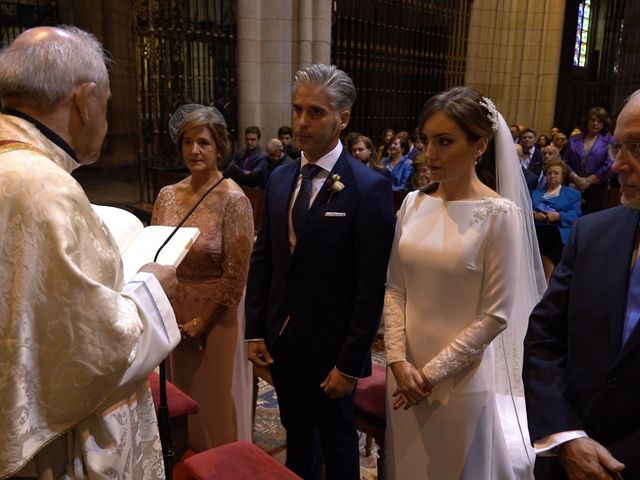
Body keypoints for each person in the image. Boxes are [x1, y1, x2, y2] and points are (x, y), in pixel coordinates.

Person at [0, 26, 180, 479]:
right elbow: (90, 349)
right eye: (107, 102)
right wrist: (152, 290)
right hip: (54, 453)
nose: (105, 116)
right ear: (84, 100)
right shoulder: (43, 188)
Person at [384, 86, 546, 479]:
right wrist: (397, 360)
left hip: (458, 382)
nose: (430, 153)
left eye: (444, 141)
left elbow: (495, 315)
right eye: (426, 141)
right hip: (404, 377)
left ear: (480, 145)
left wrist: (428, 374)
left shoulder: (498, 214)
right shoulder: (413, 204)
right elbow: (395, 287)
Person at [245, 64, 395, 480]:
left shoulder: (369, 187)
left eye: (315, 112)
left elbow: (370, 287)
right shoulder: (279, 177)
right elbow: (265, 258)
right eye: (297, 110)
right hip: (282, 338)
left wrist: (349, 364)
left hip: (332, 349)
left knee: (338, 445)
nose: (301, 122)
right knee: (298, 439)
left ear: (342, 119)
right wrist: (256, 327)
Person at [523, 90, 640, 479]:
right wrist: (566, 436)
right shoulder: (592, 233)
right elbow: (544, 335)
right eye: (618, 147)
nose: (619, 164)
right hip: (566, 461)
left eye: (637, 148)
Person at [152, 104, 254, 450]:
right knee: (177, 396)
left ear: (219, 148)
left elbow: (236, 275)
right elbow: (155, 254)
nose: (194, 151)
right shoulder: (167, 196)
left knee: (213, 400)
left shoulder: (234, 200)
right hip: (172, 312)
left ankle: (219, 465)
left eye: (204, 143)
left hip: (215, 315)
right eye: (187, 143)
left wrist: (202, 321)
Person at [531, 158, 582, 282]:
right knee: (542, 235)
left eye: (556, 173)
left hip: (558, 230)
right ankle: (541, 281)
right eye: (549, 173)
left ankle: (545, 281)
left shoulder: (572, 194)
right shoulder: (536, 193)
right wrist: (534, 215)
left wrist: (558, 216)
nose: (552, 176)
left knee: (551, 236)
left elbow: (576, 215)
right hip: (537, 228)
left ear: (563, 177)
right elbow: (527, 210)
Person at [562, 107, 615, 214]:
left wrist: (588, 181)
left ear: (604, 124)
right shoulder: (573, 139)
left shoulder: (610, 140)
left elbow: (610, 163)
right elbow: (564, 161)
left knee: (591, 221)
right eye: (592, 120)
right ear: (587, 121)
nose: (595, 123)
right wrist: (576, 179)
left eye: (599, 121)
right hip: (572, 185)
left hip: (596, 189)